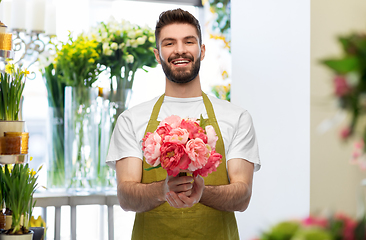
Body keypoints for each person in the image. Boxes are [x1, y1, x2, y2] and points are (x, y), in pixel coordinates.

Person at [106, 8, 261, 240]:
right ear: (157, 55)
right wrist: (163, 189)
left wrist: (201, 192)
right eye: (169, 43)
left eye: (189, 41)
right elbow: (126, 197)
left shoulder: (236, 117)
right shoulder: (132, 119)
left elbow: (242, 196)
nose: (180, 50)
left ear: (202, 50)